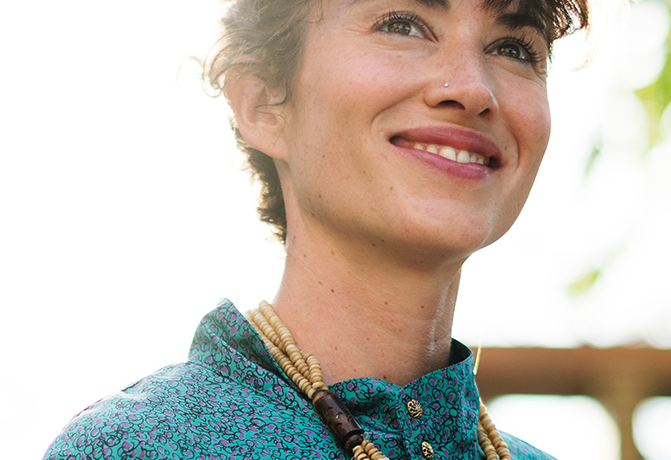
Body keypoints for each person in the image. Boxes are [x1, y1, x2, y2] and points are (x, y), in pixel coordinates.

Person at [45, 0, 588, 457]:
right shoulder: (138, 446)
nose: (473, 89)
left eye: (514, 48)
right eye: (402, 24)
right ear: (262, 106)